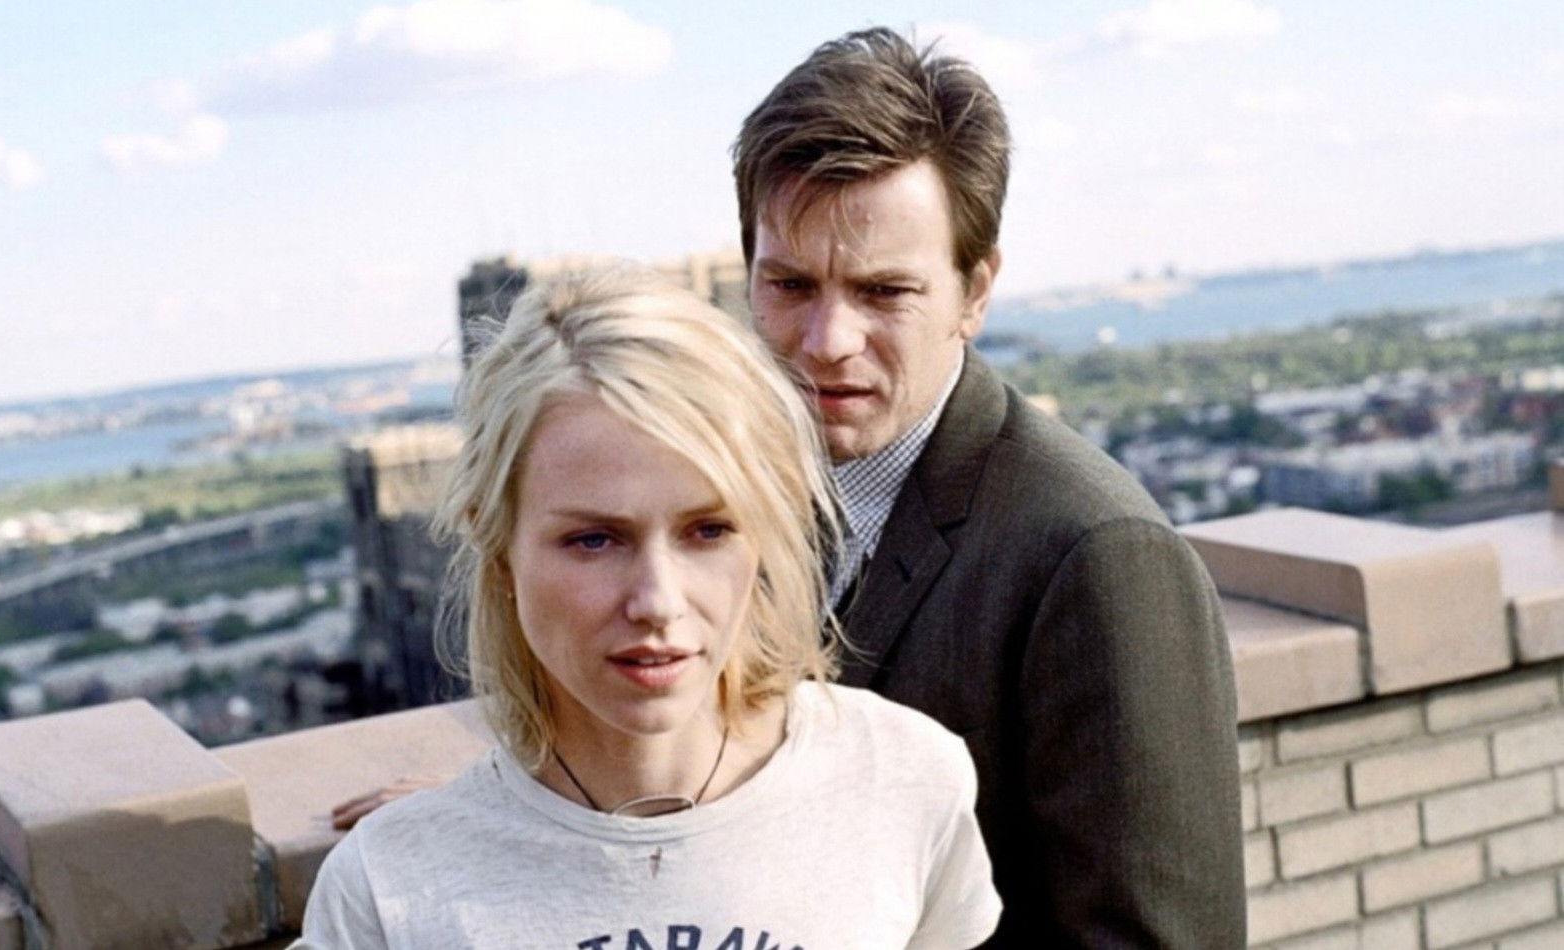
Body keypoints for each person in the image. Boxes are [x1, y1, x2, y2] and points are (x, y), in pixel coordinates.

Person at [297, 267, 1001, 948]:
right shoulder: (388, 890)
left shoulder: (903, 780)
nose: (658, 602)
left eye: (708, 530)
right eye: (594, 540)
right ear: (498, 545)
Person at [732, 28, 1245, 946]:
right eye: (791, 285)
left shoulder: (1098, 558)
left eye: (884, 292)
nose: (826, 342)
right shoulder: (733, 504)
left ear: (974, 292)